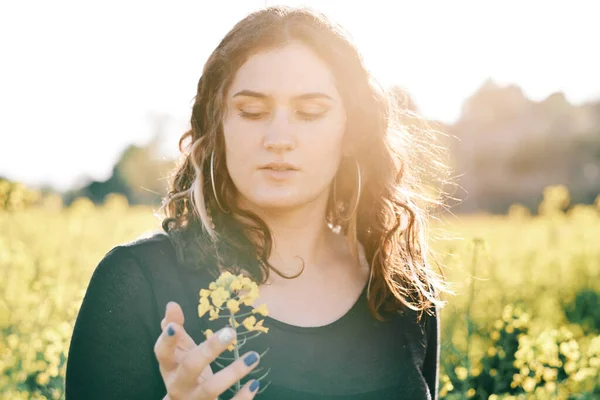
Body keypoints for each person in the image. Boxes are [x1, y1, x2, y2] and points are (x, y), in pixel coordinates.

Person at [65, 5, 455, 400]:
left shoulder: (399, 288)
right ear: (219, 128)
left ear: (351, 133)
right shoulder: (135, 282)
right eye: (252, 112)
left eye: (310, 112)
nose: (279, 137)